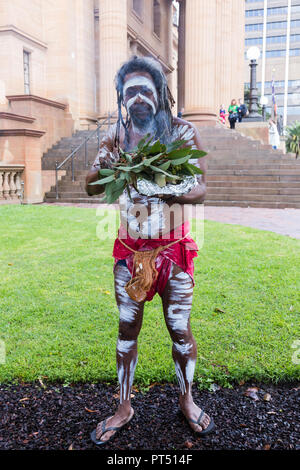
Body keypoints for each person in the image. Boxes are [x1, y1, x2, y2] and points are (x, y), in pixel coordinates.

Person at [85, 56, 215, 445]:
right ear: (122, 99)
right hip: (130, 255)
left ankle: (186, 400)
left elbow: (201, 188)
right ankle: (124, 407)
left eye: (146, 90)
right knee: (127, 329)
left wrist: (163, 188)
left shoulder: (182, 133)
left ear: (160, 93)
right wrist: (113, 166)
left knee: (179, 329)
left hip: (174, 253)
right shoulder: (115, 138)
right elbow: (91, 187)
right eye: (130, 92)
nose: (138, 98)